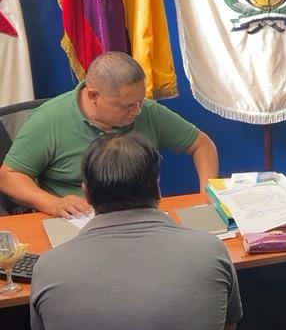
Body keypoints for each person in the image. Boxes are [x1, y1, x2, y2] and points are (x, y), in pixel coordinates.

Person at [30, 132, 242, 330]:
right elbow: (227, 328)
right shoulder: (211, 249)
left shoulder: (48, 266)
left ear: (86, 192)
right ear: (157, 187)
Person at [0, 51, 218, 217]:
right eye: (126, 105)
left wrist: (207, 193)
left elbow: (201, 144)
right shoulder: (48, 120)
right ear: (93, 96)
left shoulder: (147, 112)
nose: (137, 111)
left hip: (142, 217)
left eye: (140, 101)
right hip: (78, 220)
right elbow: (9, 176)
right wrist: (53, 203)